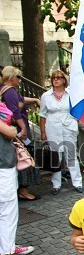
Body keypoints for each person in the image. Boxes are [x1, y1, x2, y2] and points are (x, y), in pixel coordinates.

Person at [1, 66, 41, 201]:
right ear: (11, 78)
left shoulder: (4, 90)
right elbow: (15, 112)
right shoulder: (10, 91)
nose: (19, 80)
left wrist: (35, 100)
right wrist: (23, 128)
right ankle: (23, 189)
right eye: (18, 77)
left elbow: (21, 99)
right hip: (16, 131)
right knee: (24, 157)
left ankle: (20, 189)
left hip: (10, 132)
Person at [40, 70, 83, 195]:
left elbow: (77, 109)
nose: (56, 80)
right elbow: (42, 115)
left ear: (64, 80)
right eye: (53, 77)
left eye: (58, 77)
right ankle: (56, 184)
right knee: (55, 156)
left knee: (71, 155)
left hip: (68, 127)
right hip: (52, 128)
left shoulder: (70, 94)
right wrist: (43, 132)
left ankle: (77, 182)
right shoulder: (46, 96)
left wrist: (74, 120)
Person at [0, 120, 34, 255]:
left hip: (5, 166)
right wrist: (12, 128)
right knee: (7, 212)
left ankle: (9, 246)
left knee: (8, 211)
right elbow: (10, 131)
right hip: (2, 169)